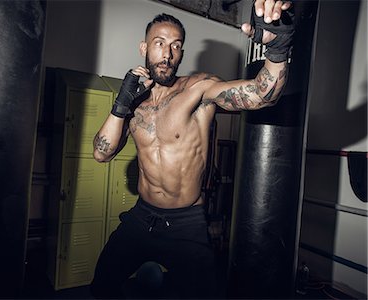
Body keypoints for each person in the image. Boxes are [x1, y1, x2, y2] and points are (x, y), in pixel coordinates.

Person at [91, 0, 294, 298]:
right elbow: (101, 153)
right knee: (102, 285)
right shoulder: (134, 104)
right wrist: (121, 105)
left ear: (182, 52)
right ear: (144, 49)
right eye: (159, 43)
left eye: (176, 45)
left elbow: (262, 96)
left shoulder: (198, 90)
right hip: (141, 217)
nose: (167, 53)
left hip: (186, 224)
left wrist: (278, 50)